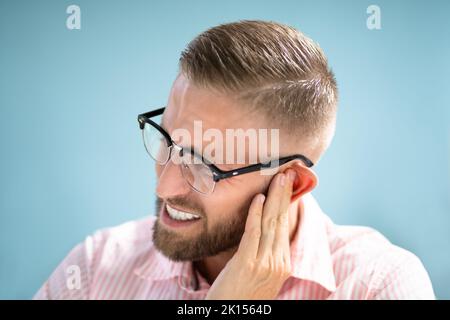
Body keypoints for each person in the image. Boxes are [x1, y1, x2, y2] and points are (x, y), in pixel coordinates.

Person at [34, 20, 434, 300]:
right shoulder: (93, 269)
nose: (164, 187)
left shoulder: (378, 286)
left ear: (291, 184)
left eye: (204, 165)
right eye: (168, 141)